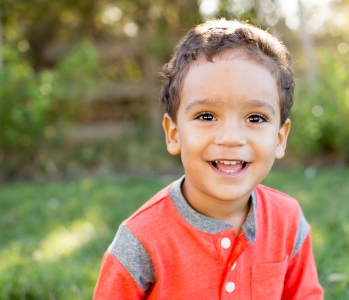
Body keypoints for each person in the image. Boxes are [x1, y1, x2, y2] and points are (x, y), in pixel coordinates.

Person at [93, 19, 324, 299]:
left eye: (255, 118)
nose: (231, 137)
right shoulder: (140, 240)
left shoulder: (289, 221)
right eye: (206, 116)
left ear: (279, 138)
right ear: (174, 134)